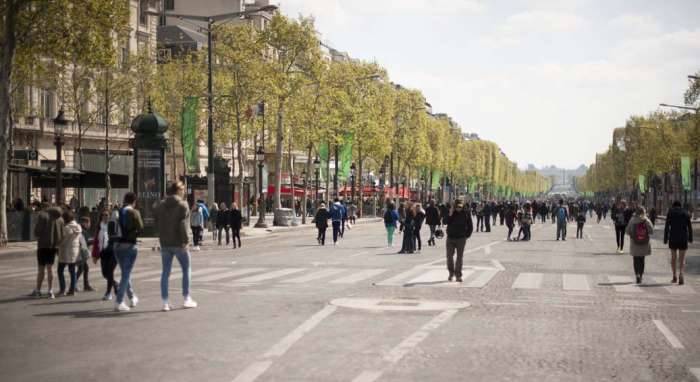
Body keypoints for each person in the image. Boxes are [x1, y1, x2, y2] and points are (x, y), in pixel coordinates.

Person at [155, 181, 198, 312]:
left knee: (165, 273)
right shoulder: (183, 205)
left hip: (165, 243)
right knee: (186, 269)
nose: (184, 192)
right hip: (179, 243)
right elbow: (183, 225)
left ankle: (165, 302)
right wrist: (186, 241)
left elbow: (158, 222)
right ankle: (186, 298)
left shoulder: (161, 205)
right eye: (183, 189)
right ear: (178, 190)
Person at [113, 192, 144, 312]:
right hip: (129, 245)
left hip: (116, 245)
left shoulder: (116, 211)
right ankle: (119, 301)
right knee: (126, 274)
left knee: (125, 273)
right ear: (134, 201)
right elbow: (141, 228)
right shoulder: (134, 212)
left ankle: (132, 297)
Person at [30, 204, 64, 298]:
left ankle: (38, 289)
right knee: (50, 268)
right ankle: (50, 290)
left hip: (42, 245)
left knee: (41, 269)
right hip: (53, 247)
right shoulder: (60, 219)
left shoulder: (42, 216)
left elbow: (37, 231)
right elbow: (62, 234)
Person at [91, 209, 118, 301]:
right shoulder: (99, 227)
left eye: (107, 215)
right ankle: (115, 284)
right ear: (101, 217)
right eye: (103, 215)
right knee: (104, 273)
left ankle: (108, 293)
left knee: (110, 272)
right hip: (103, 252)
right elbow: (96, 242)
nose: (105, 217)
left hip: (112, 252)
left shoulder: (113, 226)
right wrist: (95, 255)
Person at [664, 201, 693, 285]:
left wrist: (665, 239)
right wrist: (690, 238)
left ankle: (674, 276)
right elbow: (689, 227)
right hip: (683, 238)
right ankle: (681, 273)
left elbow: (667, 227)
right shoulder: (685, 213)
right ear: (681, 206)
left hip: (673, 238)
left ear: (673, 206)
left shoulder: (670, 212)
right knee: (682, 258)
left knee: (673, 258)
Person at [445, 200, 473, 282]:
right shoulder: (451, 212)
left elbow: (470, 225)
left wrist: (466, 235)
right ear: (454, 206)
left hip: (461, 238)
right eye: (457, 207)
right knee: (449, 256)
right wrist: (450, 214)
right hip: (450, 237)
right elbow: (445, 221)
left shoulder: (466, 213)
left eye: (460, 207)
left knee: (459, 257)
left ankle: (458, 275)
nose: (459, 208)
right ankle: (451, 273)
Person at [626, 207, 653, 284]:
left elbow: (627, 231)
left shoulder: (632, 220)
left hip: (635, 243)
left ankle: (637, 274)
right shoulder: (646, 220)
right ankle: (641, 275)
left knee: (635, 259)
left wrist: (632, 234)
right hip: (644, 243)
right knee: (642, 260)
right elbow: (651, 231)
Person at [57, 210, 81, 296]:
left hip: (65, 251)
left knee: (60, 270)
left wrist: (57, 244)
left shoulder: (66, 228)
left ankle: (62, 289)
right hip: (74, 251)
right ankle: (72, 290)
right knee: (72, 271)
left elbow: (61, 240)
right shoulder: (78, 227)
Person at [75, 216, 94, 292]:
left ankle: (86, 285)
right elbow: (86, 242)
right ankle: (74, 285)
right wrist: (95, 241)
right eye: (88, 223)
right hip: (80, 253)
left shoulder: (82, 230)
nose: (89, 225)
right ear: (84, 223)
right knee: (81, 268)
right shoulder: (83, 231)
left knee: (85, 268)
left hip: (80, 252)